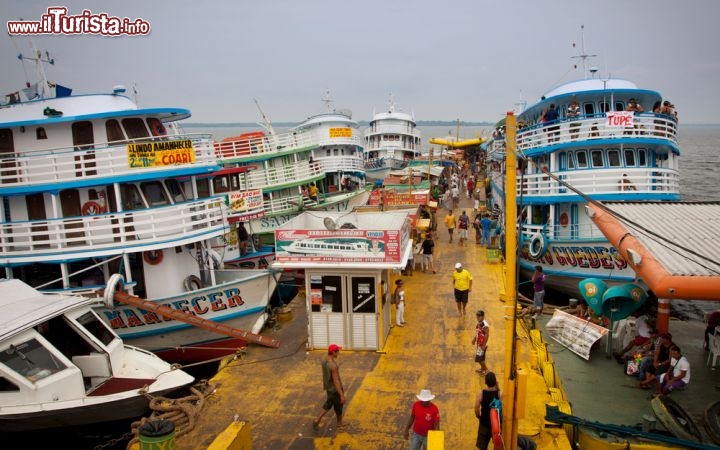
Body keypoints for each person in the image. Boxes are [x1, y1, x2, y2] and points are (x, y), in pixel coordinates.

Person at [313, 344, 346, 430]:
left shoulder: (324, 359)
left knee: (330, 403)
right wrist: (341, 394)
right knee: (338, 405)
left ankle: (318, 419)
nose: (338, 353)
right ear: (333, 352)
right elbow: (336, 381)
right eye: (337, 351)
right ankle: (338, 423)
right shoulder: (333, 366)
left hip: (328, 387)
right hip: (335, 389)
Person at [474, 371, 500, 449]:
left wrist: (478, 416)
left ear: (486, 382)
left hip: (484, 423)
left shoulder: (481, 393)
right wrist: (497, 386)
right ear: (495, 382)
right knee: (498, 446)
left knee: (482, 446)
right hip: (496, 425)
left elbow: (476, 408)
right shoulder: (499, 394)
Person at [472, 310, 490, 374]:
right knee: (481, 358)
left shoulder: (484, 325)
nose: (477, 317)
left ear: (483, 316)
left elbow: (487, 335)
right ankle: (482, 369)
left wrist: (483, 345)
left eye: (479, 316)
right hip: (479, 343)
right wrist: (474, 339)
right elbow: (478, 332)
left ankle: (486, 370)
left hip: (482, 344)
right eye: (477, 315)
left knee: (480, 359)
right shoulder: (479, 323)